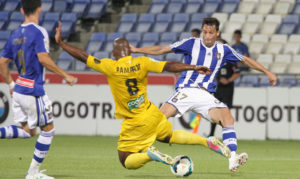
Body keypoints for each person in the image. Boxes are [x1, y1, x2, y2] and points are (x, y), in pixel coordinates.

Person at [55, 22, 231, 171]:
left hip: (134, 121)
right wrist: (192, 67)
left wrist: (62, 43)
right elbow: (168, 65)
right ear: (129, 52)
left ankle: (149, 154)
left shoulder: (109, 66)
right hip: (152, 113)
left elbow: (84, 56)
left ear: (115, 54)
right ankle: (205, 141)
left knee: (125, 160)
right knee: (168, 136)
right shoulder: (142, 62)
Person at [130, 17, 277, 172]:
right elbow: (162, 49)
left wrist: (267, 72)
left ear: (217, 33)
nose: (207, 36)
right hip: (186, 91)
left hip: (205, 95)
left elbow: (245, 60)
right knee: (158, 118)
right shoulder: (191, 43)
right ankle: (138, 148)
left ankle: (233, 157)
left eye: (210, 33)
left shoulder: (223, 49)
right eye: (205, 32)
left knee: (227, 117)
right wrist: (137, 50)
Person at [0, 1, 75, 179]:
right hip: (32, 90)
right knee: (48, 130)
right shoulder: (39, 31)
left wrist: (10, 84)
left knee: (28, 131)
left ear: (21, 10)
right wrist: (65, 75)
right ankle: (33, 174)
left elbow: (2, 62)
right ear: (39, 9)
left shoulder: (15, 34)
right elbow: (43, 58)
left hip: (18, 88)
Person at [208, 39, 240, 137]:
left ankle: (227, 135)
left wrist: (228, 80)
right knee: (214, 110)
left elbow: (237, 73)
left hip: (228, 89)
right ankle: (211, 135)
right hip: (219, 89)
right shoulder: (216, 59)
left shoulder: (231, 59)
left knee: (225, 112)